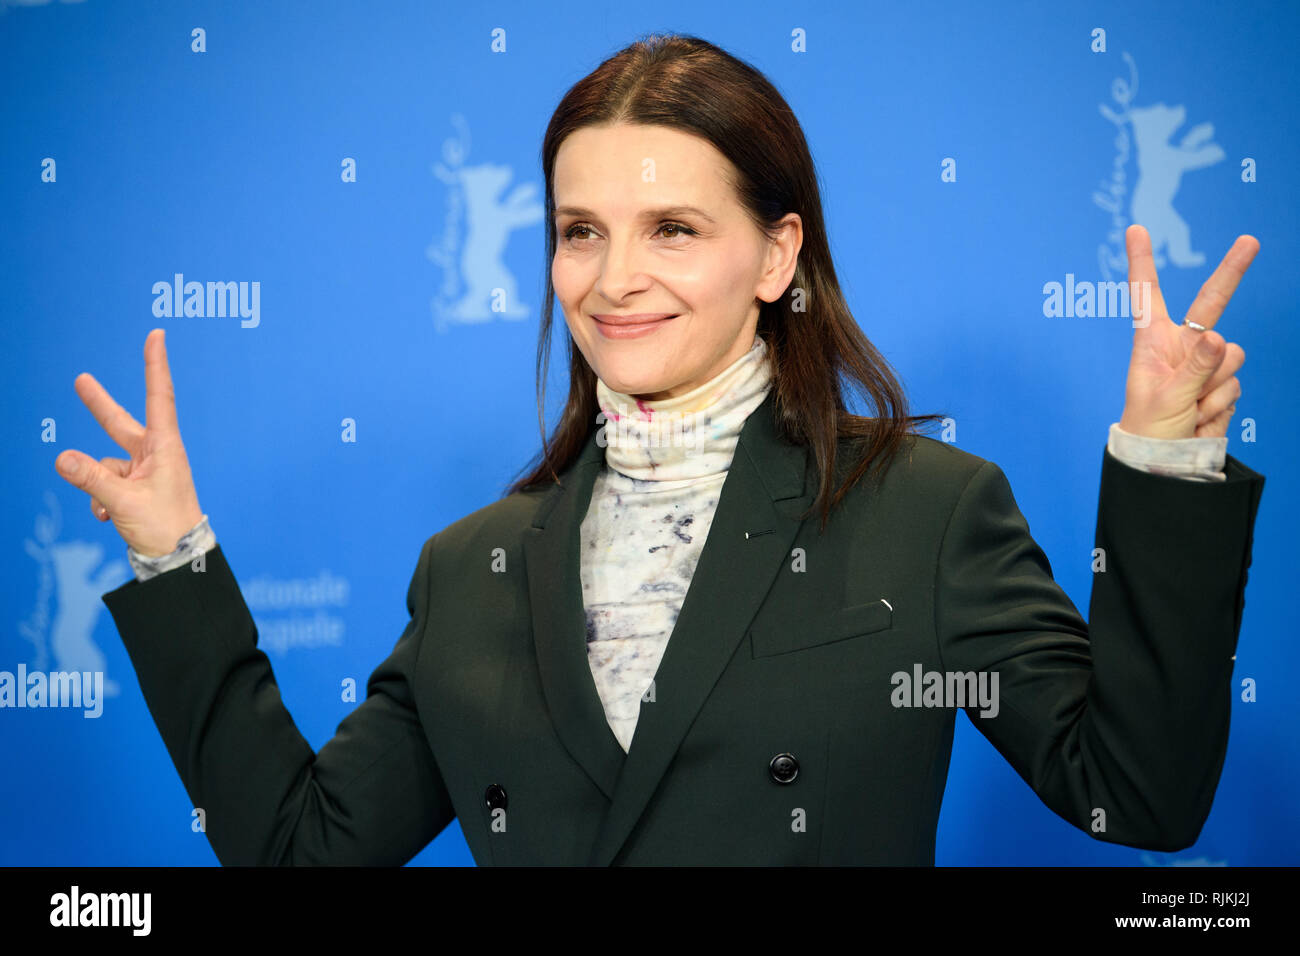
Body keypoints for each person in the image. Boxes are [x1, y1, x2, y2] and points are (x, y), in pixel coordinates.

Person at [55, 34, 1265, 866]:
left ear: (777, 257)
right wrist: (176, 561)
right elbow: (296, 847)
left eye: (672, 229)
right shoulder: (469, 566)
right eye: (580, 230)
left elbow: (1138, 793)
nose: (613, 279)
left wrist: (1162, 465)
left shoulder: (922, 509)